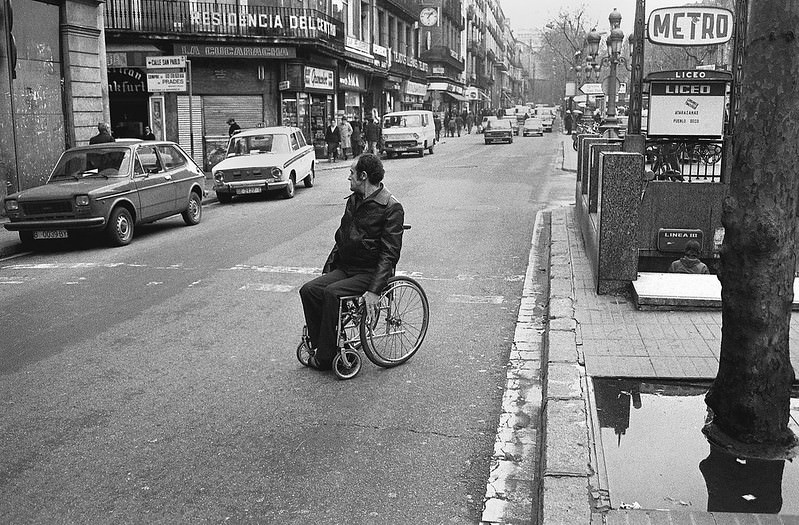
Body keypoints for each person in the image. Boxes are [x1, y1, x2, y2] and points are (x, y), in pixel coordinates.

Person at [299, 153, 404, 370]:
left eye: (351, 173)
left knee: (331, 293)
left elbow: (389, 254)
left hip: (370, 273)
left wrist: (375, 290)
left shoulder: (391, 207)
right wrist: (328, 271)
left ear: (363, 176)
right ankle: (323, 344)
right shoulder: (355, 200)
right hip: (348, 268)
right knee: (309, 290)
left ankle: (326, 358)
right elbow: (342, 240)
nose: (349, 178)